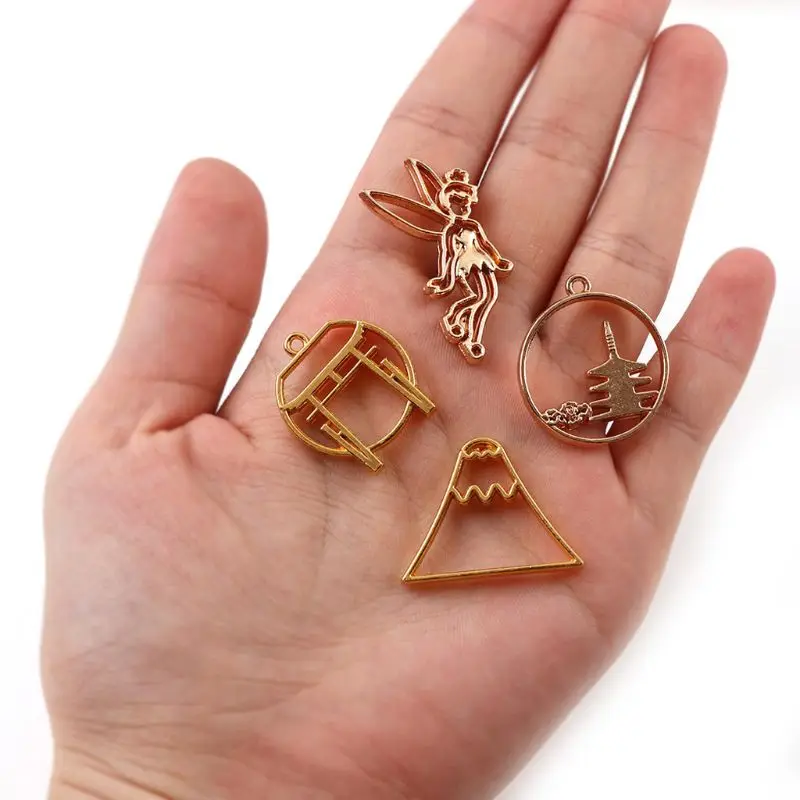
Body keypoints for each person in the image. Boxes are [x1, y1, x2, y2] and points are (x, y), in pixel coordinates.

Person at [43, 1, 774, 798]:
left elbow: (478, 254)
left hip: (469, 310)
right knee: (468, 312)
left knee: (473, 310)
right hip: (447, 325)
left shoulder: (466, 237)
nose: (458, 206)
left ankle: (461, 331)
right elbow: (459, 258)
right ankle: (459, 332)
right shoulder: (446, 247)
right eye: (453, 204)